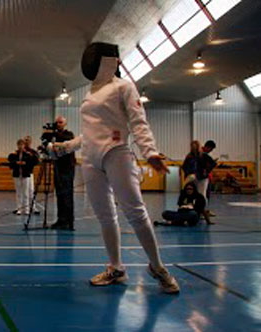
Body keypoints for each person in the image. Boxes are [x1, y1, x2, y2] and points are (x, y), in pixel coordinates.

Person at [51, 42, 179, 293]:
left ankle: (157, 266)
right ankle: (116, 268)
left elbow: (138, 123)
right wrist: (66, 146)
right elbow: (91, 133)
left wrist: (149, 152)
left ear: (110, 61)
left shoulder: (124, 86)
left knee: (136, 213)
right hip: (89, 159)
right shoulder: (90, 94)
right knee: (105, 216)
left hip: (117, 152)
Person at [49, 116, 76, 230]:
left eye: (60, 122)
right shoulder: (54, 136)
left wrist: (52, 134)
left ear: (65, 124)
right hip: (57, 167)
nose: (58, 124)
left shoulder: (69, 134)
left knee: (67, 195)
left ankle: (69, 221)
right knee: (59, 194)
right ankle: (61, 219)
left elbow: (66, 141)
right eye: (57, 122)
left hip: (67, 168)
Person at [8, 139, 36, 215]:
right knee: (18, 192)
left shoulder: (28, 154)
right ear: (17, 145)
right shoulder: (14, 154)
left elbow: (32, 162)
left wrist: (25, 163)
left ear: (24, 145)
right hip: (17, 175)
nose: (20, 146)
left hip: (26, 175)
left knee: (26, 193)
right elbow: (10, 161)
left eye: (22, 145)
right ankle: (19, 209)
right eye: (19, 145)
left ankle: (27, 209)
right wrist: (16, 162)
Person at [23, 136, 40, 214]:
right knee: (24, 192)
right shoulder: (21, 151)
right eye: (26, 140)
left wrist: (31, 155)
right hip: (23, 173)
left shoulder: (33, 151)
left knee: (31, 191)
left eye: (28, 140)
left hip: (30, 173)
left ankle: (33, 207)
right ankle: (24, 208)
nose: (27, 142)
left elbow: (37, 161)